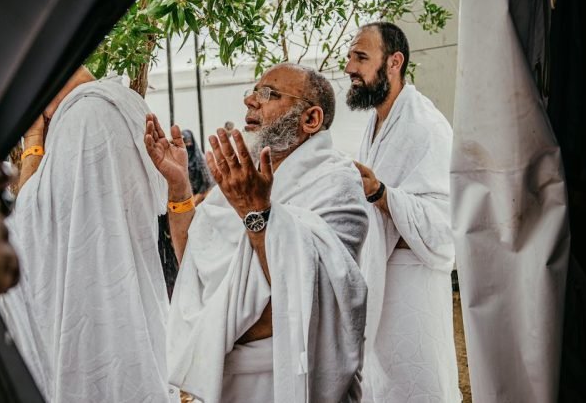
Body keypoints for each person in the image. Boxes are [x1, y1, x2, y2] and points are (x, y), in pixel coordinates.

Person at [145, 63, 369, 403]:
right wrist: (179, 188)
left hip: (284, 381)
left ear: (311, 119)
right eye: (252, 91)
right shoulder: (239, 179)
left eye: (269, 94)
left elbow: (314, 295)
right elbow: (194, 260)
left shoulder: (336, 183)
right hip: (226, 378)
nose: (251, 100)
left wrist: (256, 212)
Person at [0, 69, 176, 402]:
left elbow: (29, 222)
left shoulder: (84, 118)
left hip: (90, 301)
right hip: (125, 289)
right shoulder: (122, 107)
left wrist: (34, 142)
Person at [344, 21, 459, 401]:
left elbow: (446, 228)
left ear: (394, 62)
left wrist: (381, 193)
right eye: (349, 57)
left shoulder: (427, 127)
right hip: (378, 280)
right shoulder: (377, 123)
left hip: (413, 288)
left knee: (417, 385)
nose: (349, 68)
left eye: (361, 57)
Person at [181, 129, 214, 204]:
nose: (188, 145)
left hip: (202, 195)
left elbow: (208, 182)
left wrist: (197, 197)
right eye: (185, 143)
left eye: (189, 143)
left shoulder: (200, 159)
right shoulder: (180, 160)